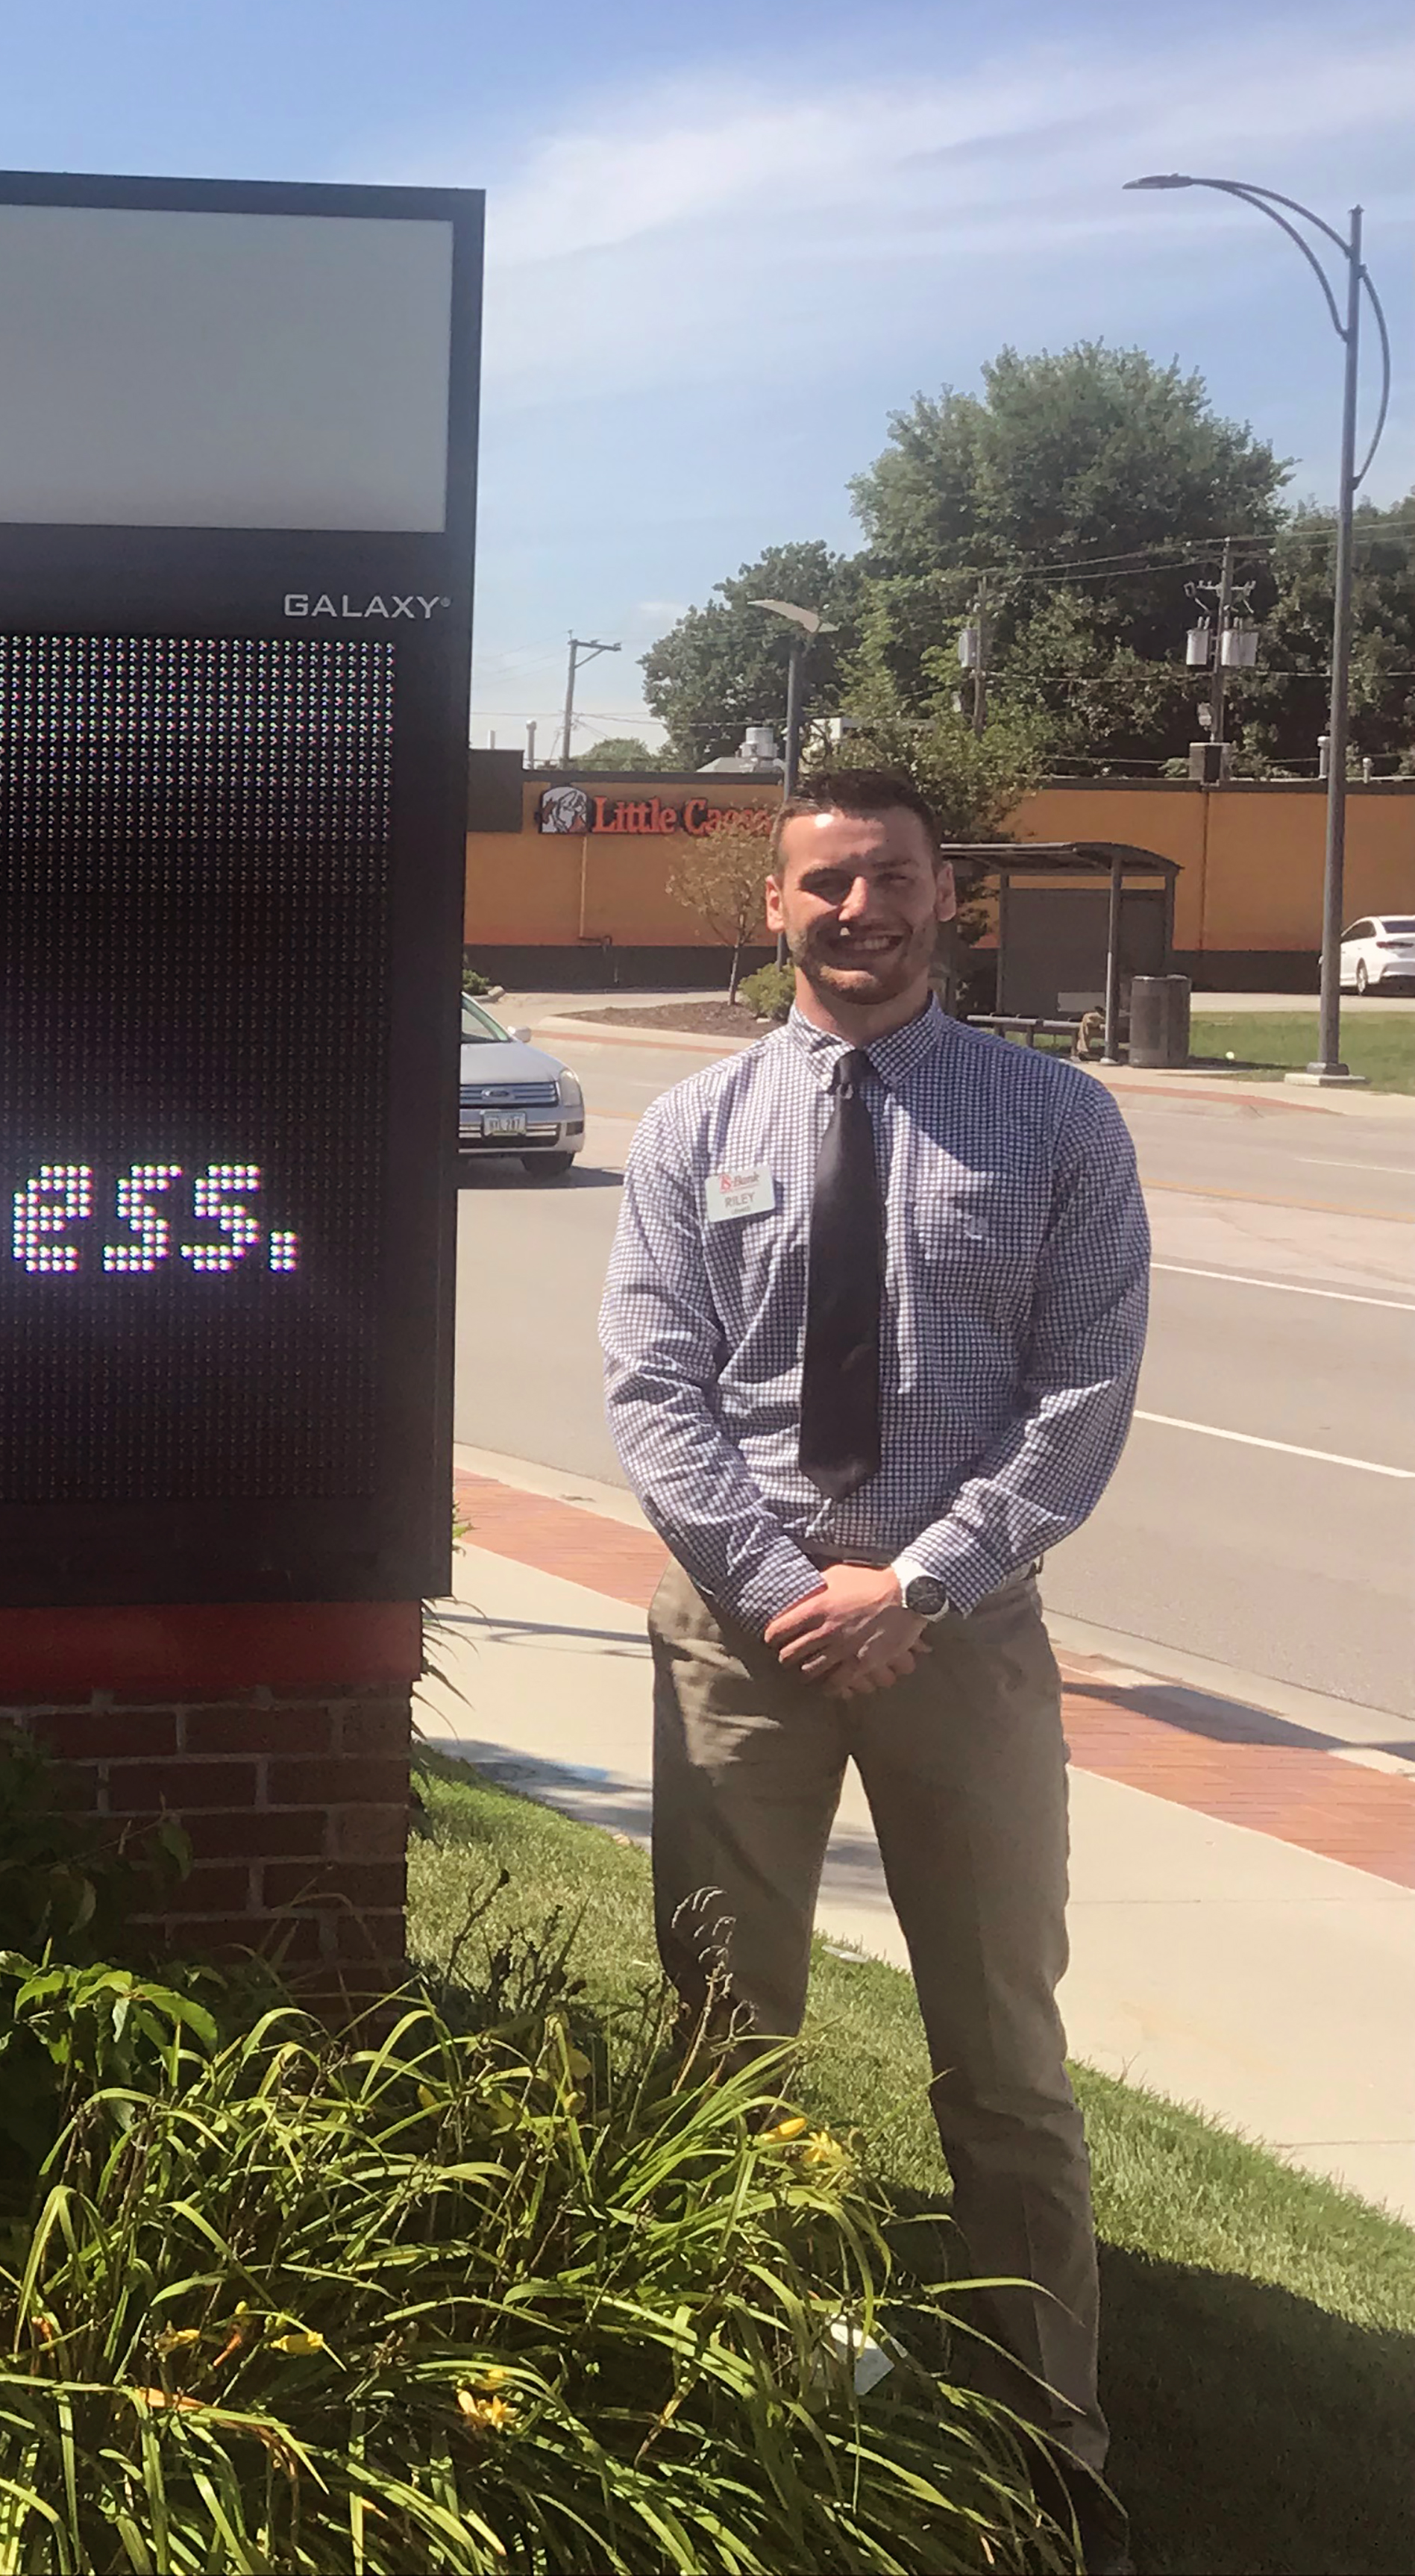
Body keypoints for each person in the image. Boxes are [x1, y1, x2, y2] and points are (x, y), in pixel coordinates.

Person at [598, 769, 1147, 2546]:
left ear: (944, 899)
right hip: (740, 1635)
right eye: (825, 884)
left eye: (891, 879)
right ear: (772, 906)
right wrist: (785, 1588)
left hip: (961, 1633)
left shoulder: (1054, 1121)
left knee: (999, 2045)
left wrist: (911, 1582)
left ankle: (1039, 2439)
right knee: (720, 2033)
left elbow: (1081, 1398)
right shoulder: (692, 1128)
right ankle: (730, 2390)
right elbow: (655, 1392)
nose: (861, 912)